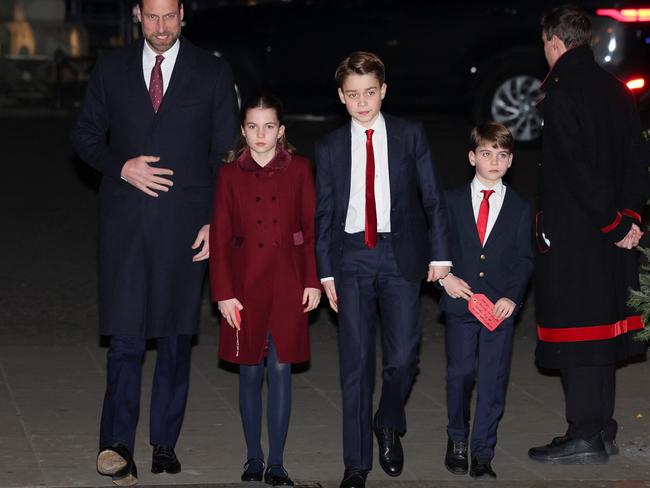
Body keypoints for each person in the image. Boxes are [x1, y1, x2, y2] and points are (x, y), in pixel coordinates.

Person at [71, 0, 238, 484]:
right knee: (124, 338)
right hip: (124, 223)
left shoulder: (211, 71)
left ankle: (164, 442)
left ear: (183, 14)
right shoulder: (111, 67)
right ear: (137, 16)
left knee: (175, 338)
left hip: (186, 227)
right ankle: (115, 443)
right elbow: (84, 136)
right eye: (152, 17)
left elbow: (226, 156)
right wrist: (120, 166)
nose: (161, 28)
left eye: (170, 17)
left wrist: (215, 223)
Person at [314, 51, 451, 488]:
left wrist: (440, 255)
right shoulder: (330, 147)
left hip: (399, 255)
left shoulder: (409, 135)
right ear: (341, 97)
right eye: (353, 95)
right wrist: (326, 272)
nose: (362, 102)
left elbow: (432, 197)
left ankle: (388, 419)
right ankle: (356, 464)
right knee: (355, 364)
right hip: (351, 257)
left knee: (404, 358)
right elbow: (324, 213)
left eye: (369, 93)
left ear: (383, 91)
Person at [529, 5, 650, 465]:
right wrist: (630, 218)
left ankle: (583, 432)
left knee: (579, 333)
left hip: (581, 234)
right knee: (603, 331)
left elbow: (575, 173)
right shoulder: (618, 89)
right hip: (615, 232)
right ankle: (602, 429)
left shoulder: (562, 93)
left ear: (554, 41)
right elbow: (638, 160)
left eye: (544, 44)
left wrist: (613, 222)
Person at [209, 94, 321, 486]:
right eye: (253, 126)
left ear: (281, 131)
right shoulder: (228, 175)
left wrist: (312, 280)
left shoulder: (300, 170)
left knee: (281, 369)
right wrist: (223, 292)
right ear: (243, 131)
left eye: (269, 126)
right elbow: (220, 238)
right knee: (250, 372)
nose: (261, 134)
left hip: (288, 283)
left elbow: (310, 231)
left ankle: (276, 461)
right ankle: (252, 457)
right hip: (243, 287)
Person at [439, 123, 533, 479]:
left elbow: (524, 258)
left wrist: (512, 295)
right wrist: (444, 277)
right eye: (487, 153)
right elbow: (437, 247)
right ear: (472, 157)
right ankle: (458, 439)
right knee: (460, 373)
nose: (494, 161)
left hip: (498, 308)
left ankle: (483, 451)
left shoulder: (521, 207)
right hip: (460, 303)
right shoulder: (451, 200)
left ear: (510, 162)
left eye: (502, 155)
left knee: (493, 379)